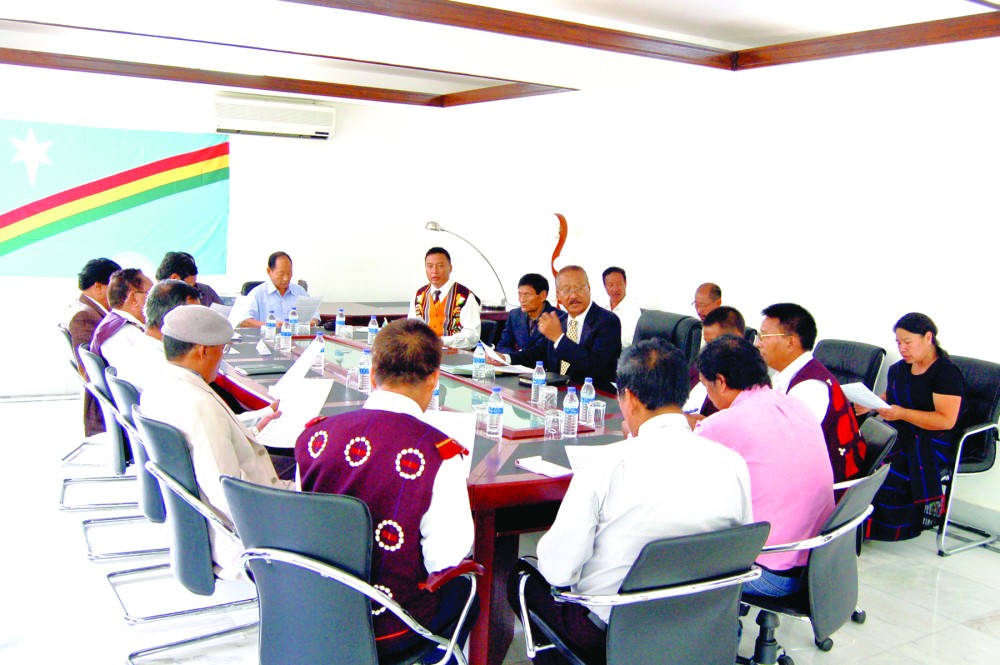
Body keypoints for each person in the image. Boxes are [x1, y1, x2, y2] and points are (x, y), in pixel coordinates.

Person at [509, 339, 753, 662]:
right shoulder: (732, 463)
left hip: (616, 637)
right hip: (702, 626)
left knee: (522, 578)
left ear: (630, 398)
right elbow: (741, 548)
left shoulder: (605, 464)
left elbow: (558, 571)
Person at [295, 319, 474, 657]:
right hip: (392, 626)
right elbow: (445, 560)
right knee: (465, 590)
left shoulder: (314, 437)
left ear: (374, 370)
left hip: (317, 610)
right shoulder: (439, 454)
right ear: (435, 379)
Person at [140, 306, 291, 579]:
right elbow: (226, 491)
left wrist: (252, 430)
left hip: (224, 518)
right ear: (202, 351)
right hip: (247, 535)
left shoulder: (159, 386)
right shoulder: (198, 404)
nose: (221, 359)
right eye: (221, 350)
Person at [694, 335, 834, 597]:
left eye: (706, 387)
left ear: (721, 383)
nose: (709, 398)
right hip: (816, 565)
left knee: (663, 554)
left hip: (767, 572)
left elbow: (671, 475)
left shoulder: (723, 423)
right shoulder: (797, 405)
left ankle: (716, 632)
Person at [858, 313, 964, 541]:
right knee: (858, 454)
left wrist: (902, 413)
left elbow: (946, 420)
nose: (902, 348)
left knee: (887, 468)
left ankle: (882, 529)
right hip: (900, 431)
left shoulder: (945, 373)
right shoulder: (899, 369)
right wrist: (871, 404)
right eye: (898, 343)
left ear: (928, 337)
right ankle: (853, 527)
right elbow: (891, 395)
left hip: (933, 440)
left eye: (907, 342)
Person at [756, 303, 867, 482]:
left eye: (765, 336)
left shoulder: (810, 388)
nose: (759, 343)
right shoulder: (786, 375)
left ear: (791, 342)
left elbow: (782, 449)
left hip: (826, 488)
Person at [495, 265, 621, 392]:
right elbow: (539, 353)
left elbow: (596, 367)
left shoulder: (608, 321)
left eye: (579, 288)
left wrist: (559, 339)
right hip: (557, 393)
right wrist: (506, 358)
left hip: (594, 396)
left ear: (589, 288)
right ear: (558, 295)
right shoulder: (561, 321)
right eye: (566, 290)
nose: (573, 296)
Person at [111, 279, 201, 392]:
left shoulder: (139, 349)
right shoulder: (169, 372)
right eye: (195, 318)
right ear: (173, 320)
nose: (198, 326)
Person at [65, 257, 121, 436]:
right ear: (98, 287)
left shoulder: (85, 309)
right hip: (105, 412)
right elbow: (92, 372)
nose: (120, 294)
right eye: (115, 287)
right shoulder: (84, 316)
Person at [408, 247, 481, 350]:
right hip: (423, 356)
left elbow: (472, 337)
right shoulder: (418, 296)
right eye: (429, 266)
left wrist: (440, 341)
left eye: (440, 266)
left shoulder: (465, 296)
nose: (434, 271)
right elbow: (410, 330)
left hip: (456, 356)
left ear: (450, 268)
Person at [683, 305, 745, 425]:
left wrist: (703, 423)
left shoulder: (745, 378)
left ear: (736, 338)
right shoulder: (700, 365)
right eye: (707, 342)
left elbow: (734, 425)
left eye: (714, 342)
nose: (709, 348)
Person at [90, 268, 152, 368]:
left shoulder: (114, 322)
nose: (158, 300)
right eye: (152, 294)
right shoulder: (124, 335)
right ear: (134, 299)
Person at [241, 251, 317, 328]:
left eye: (289, 273)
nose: (286, 278)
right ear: (269, 271)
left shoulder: (300, 291)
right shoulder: (257, 293)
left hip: (295, 337)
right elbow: (244, 321)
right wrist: (270, 325)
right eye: (281, 273)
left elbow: (315, 316)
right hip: (267, 337)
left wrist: (312, 322)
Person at [496, 273, 564, 356]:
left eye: (527, 295)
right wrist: (515, 358)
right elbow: (503, 346)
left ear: (543, 296)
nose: (522, 299)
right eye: (520, 294)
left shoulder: (559, 318)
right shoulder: (514, 315)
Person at [155, 251, 223, 308]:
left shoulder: (205, 292)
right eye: (189, 287)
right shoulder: (151, 302)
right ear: (174, 279)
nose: (193, 292)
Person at [602, 266, 642, 347]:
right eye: (611, 285)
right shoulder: (603, 308)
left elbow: (629, 341)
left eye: (619, 284)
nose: (615, 289)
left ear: (625, 284)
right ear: (605, 287)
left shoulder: (633, 310)